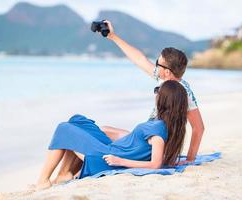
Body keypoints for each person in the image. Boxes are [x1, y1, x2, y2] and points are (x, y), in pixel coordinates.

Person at [33, 80, 188, 190]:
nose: (156, 94)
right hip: (115, 148)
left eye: (157, 91)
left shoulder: (158, 131)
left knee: (64, 128)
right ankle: (64, 173)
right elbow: (141, 144)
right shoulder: (169, 126)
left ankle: (43, 181)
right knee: (78, 120)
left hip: (108, 156)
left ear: (165, 100)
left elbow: (156, 164)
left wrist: (119, 160)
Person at [100, 20, 205, 165]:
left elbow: (198, 128)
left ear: (167, 72)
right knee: (103, 131)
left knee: (101, 135)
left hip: (152, 143)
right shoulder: (165, 79)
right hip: (147, 136)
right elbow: (139, 59)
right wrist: (113, 36)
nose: (155, 65)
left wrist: (190, 160)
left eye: (158, 63)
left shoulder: (182, 93)